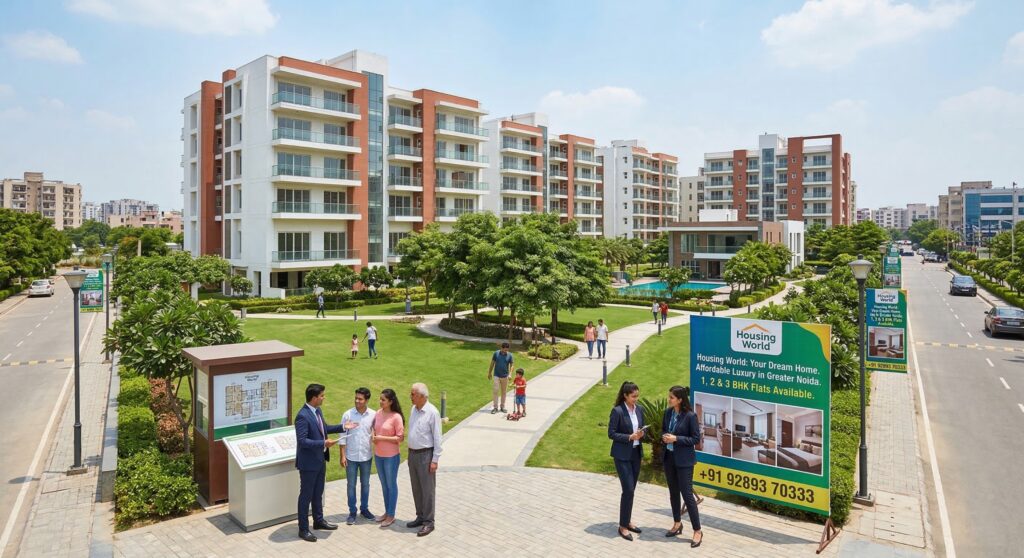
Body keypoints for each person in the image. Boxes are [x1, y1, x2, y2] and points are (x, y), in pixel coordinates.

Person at [294, 384, 357, 542]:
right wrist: (323, 443)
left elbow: (324, 428)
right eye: (322, 395)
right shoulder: (302, 416)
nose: (324, 398)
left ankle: (318, 521)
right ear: (314, 398)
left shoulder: (317, 411)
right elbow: (302, 441)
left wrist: (343, 426)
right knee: (306, 496)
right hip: (308, 464)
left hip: (320, 460)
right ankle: (303, 529)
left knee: (318, 493)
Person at [661, 385, 703, 547]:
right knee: (673, 493)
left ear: (679, 399)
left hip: (684, 461)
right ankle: (677, 524)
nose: (669, 399)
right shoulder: (668, 413)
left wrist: (676, 439)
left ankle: (697, 530)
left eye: (671, 397)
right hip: (669, 458)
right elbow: (663, 430)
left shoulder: (690, 416)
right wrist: (664, 437)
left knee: (687, 494)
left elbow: (695, 439)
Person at [608, 381, 645, 541]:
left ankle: (627, 521)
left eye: (637, 396)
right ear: (625, 396)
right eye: (633, 396)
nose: (636, 399)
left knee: (631, 490)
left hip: (636, 454)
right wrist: (630, 437)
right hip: (622, 455)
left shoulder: (640, 410)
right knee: (628, 489)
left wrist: (641, 434)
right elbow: (611, 433)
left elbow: (641, 428)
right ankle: (622, 526)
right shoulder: (617, 411)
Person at [407, 382, 443, 537]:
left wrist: (434, 460)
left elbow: (437, 438)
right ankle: (420, 516)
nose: (410, 396)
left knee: (427, 490)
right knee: (416, 488)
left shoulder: (432, 412)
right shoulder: (413, 410)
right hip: (412, 454)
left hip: (425, 455)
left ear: (422, 396)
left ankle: (429, 522)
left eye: (413, 394)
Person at [340, 388, 377, 526]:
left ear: (367, 400)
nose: (357, 401)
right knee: (351, 485)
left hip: (366, 456)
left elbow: (375, 433)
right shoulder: (347, 415)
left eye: (360, 399)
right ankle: (352, 512)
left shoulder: (373, 415)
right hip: (351, 457)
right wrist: (342, 455)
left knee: (365, 484)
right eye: (356, 398)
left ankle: (364, 509)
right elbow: (342, 436)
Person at [372, 388, 404, 528]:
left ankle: (391, 515)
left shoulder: (396, 417)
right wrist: (373, 436)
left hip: (391, 457)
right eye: (380, 399)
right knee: (384, 486)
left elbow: (400, 438)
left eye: (383, 400)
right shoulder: (378, 413)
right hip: (378, 455)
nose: (380, 401)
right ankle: (387, 512)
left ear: (390, 401)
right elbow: (374, 428)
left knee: (391, 485)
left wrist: (381, 437)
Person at [487, 342, 514, 414]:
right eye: (505, 350)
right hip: (496, 375)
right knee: (495, 390)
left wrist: (510, 374)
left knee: (504, 392)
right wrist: (489, 372)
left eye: (507, 350)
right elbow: (492, 363)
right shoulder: (496, 353)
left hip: (505, 376)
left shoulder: (510, 355)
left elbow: (512, 365)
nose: (506, 351)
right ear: (501, 348)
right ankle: (495, 407)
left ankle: (502, 407)